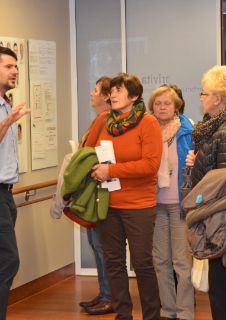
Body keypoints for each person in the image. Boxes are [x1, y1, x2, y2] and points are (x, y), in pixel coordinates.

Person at [85, 73, 162, 320]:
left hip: (139, 205)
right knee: (114, 262)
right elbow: (86, 153)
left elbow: (150, 165)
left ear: (135, 96)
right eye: (112, 91)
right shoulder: (104, 121)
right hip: (108, 203)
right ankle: (123, 314)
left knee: (142, 263)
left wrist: (111, 170)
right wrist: (94, 168)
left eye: (119, 90)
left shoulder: (148, 123)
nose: (113, 94)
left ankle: (151, 315)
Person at [186, 65, 226, 320]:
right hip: (222, 220)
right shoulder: (218, 126)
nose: (201, 98)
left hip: (223, 222)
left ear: (218, 98)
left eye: (203, 93)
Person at [149, 85, 194, 320]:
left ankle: (185, 312)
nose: (163, 107)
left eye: (167, 103)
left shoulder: (189, 130)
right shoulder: (147, 131)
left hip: (180, 204)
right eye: (158, 103)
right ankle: (167, 311)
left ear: (176, 106)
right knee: (161, 261)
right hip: (155, 204)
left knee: (181, 262)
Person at [78, 76, 114, 315]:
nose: (91, 93)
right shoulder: (101, 119)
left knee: (102, 245)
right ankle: (104, 293)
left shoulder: (105, 119)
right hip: (98, 186)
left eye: (95, 90)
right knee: (96, 243)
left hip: (101, 188)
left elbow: (90, 150)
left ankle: (109, 296)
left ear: (106, 96)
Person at [0, 46, 30, 320]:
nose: (15, 71)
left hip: (7, 193)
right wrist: (7, 122)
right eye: (8, 66)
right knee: (9, 260)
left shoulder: (6, 101)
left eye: (16, 66)